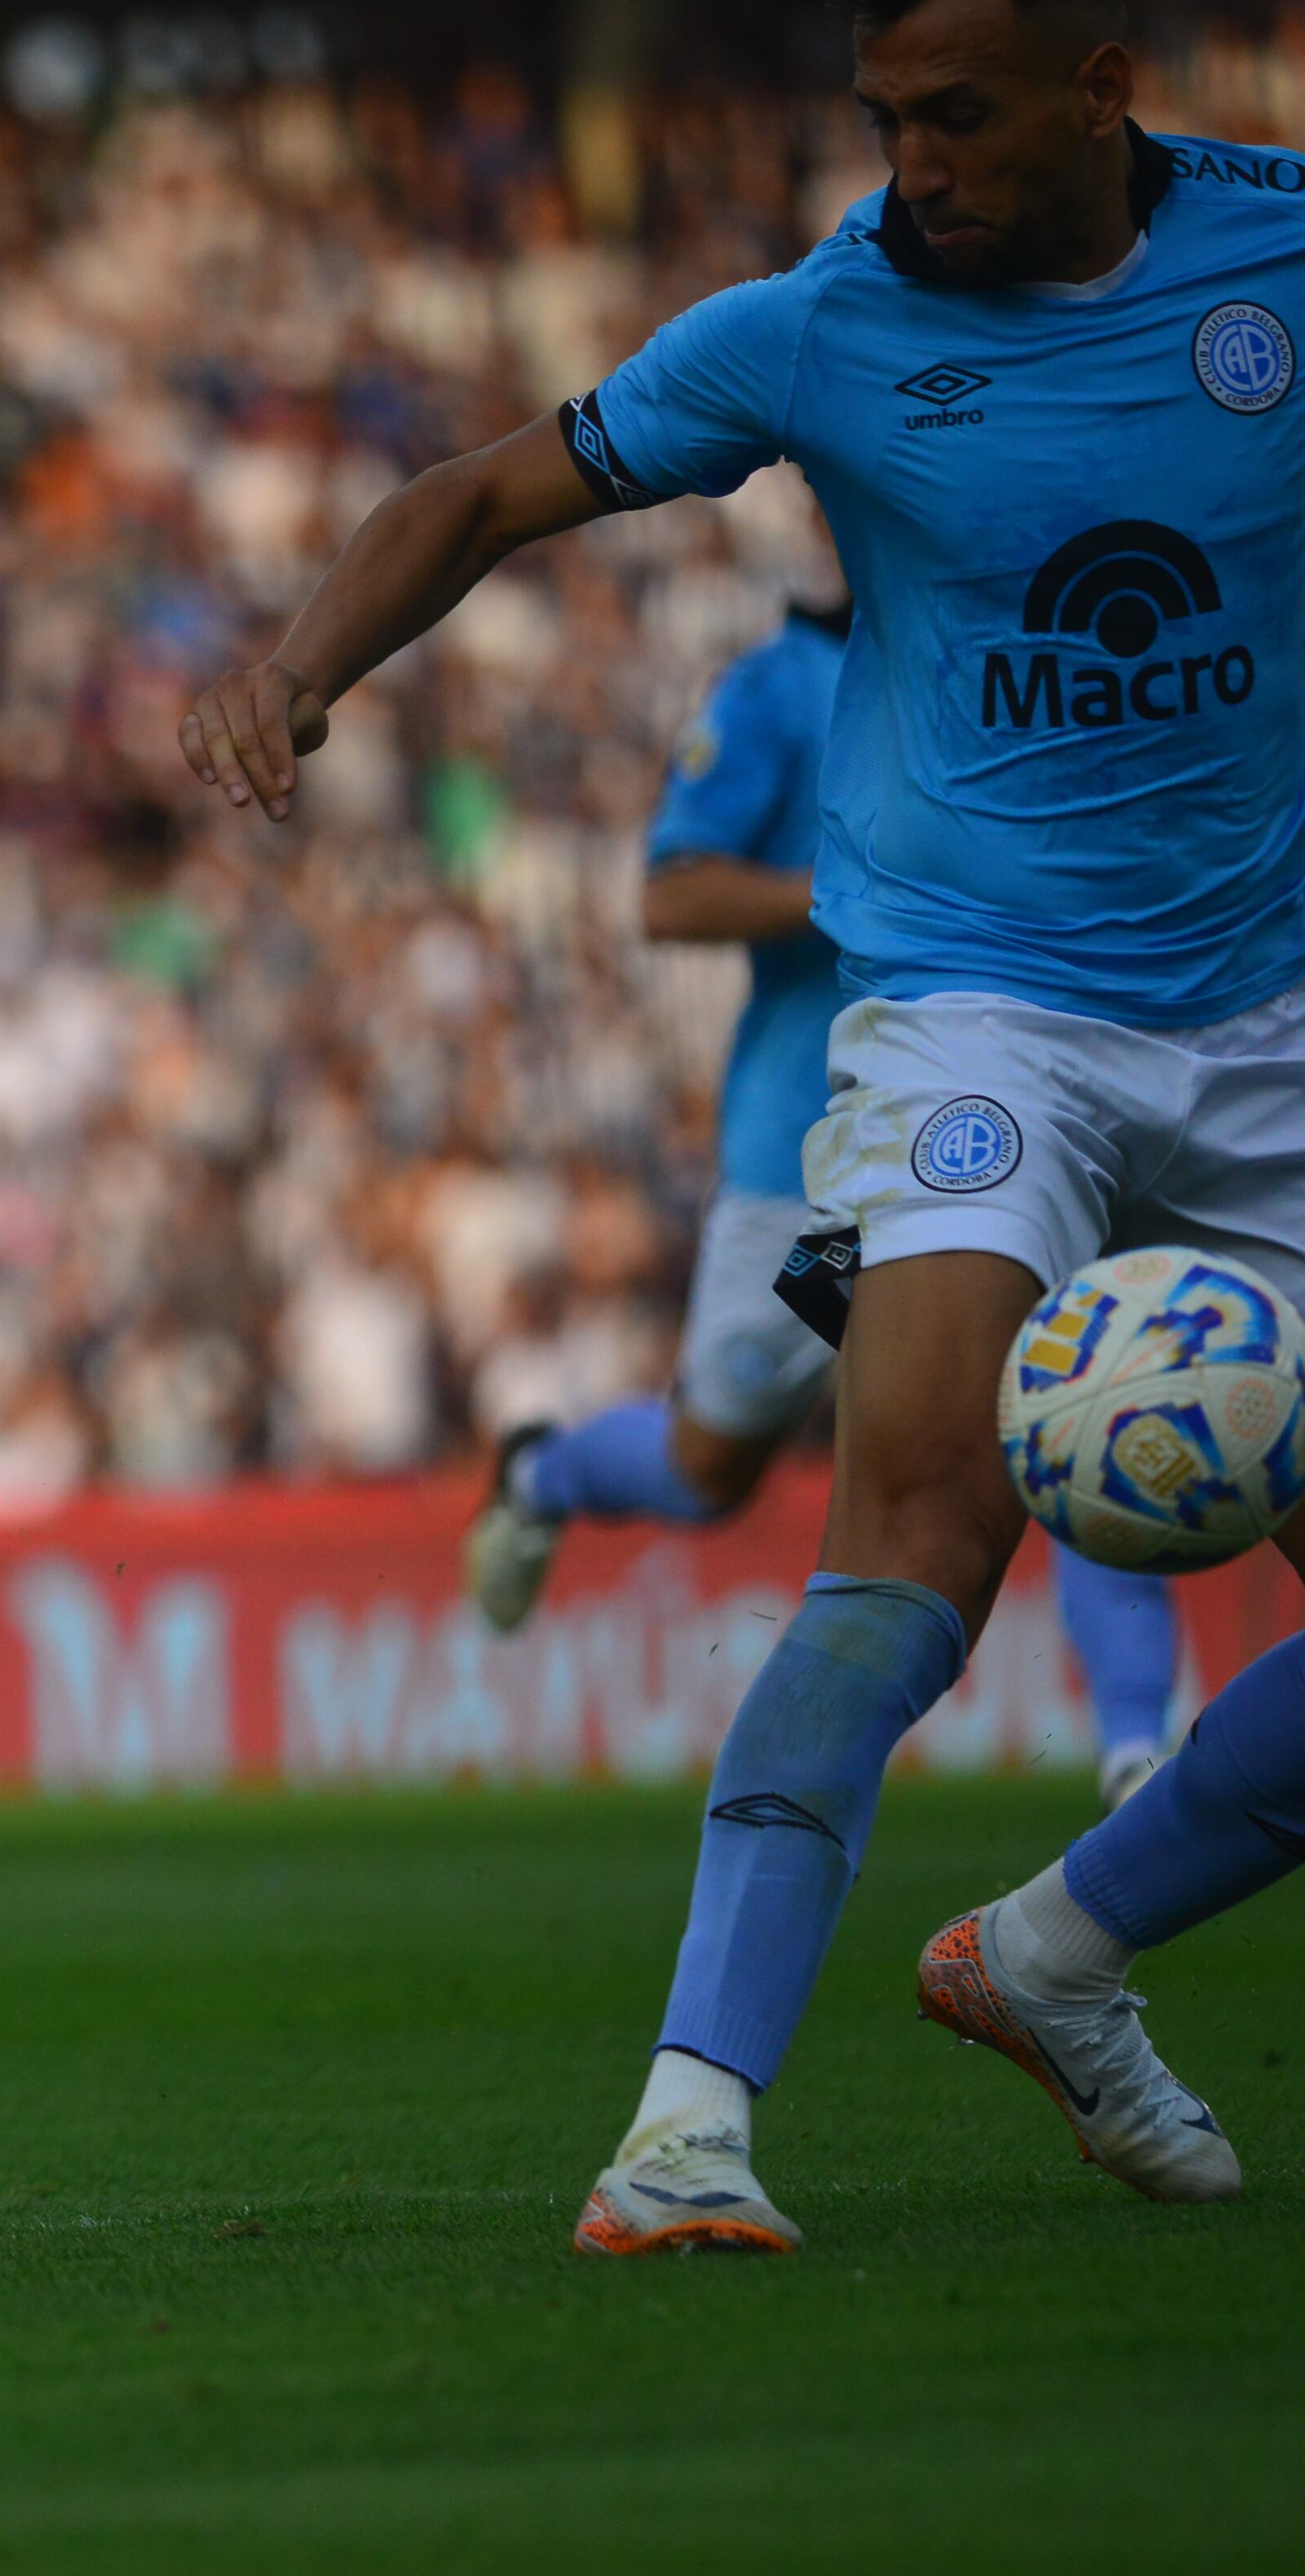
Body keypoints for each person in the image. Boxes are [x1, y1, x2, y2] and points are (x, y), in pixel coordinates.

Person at [177, 0, 1290, 2255]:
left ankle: (1056, 1954)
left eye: (956, 118)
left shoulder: (1279, 262)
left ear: (1101, 94)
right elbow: (484, 484)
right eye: (884, 119)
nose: (909, 167)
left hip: (1273, 1010)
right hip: (982, 1012)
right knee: (915, 1519)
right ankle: (687, 2122)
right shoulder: (824, 325)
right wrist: (305, 663)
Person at [456, 498, 1178, 1809]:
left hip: (1016, 1123)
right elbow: (671, 891)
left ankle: (1137, 1750)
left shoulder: (1024, 658)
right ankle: (544, 1472)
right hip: (822, 1175)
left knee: (1084, 1394)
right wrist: (850, 891)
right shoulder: (781, 689)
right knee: (713, 1459)